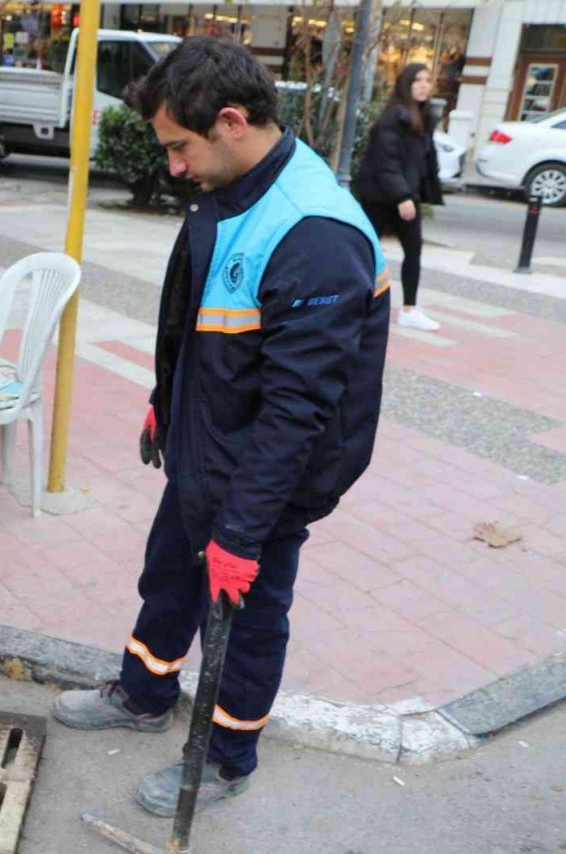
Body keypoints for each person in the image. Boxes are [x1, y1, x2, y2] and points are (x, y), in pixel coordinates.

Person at [53, 37, 390, 816]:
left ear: (231, 122)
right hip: (208, 439)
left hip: (269, 474)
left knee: (245, 617)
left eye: (180, 147)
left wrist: (242, 532)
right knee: (171, 574)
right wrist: (166, 399)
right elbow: (197, 312)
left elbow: (297, 411)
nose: (174, 167)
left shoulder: (315, 234)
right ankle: (145, 693)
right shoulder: (232, 188)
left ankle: (226, 756)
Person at [355, 63, 444, 331]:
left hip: (405, 194)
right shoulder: (393, 118)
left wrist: (420, 191)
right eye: (417, 80)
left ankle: (409, 309)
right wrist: (402, 196)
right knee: (366, 252)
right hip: (381, 197)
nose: (424, 85)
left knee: (413, 249)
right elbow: (386, 162)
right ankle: (355, 305)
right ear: (406, 85)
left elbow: (421, 161)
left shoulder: (422, 118)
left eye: (427, 80)